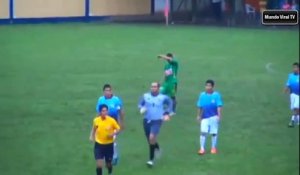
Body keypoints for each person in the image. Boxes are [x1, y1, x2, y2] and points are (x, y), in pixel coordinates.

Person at [138, 82, 173, 167]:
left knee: (151, 137)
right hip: (146, 120)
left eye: (155, 87)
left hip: (157, 121)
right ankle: (157, 148)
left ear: (158, 88)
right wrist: (142, 108)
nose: (153, 88)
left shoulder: (162, 97)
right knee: (150, 140)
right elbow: (140, 104)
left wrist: (166, 113)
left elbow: (170, 103)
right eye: (152, 87)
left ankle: (151, 160)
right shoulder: (145, 96)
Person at [96, 84, 125, 165]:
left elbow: (120, 112)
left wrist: (122, 123)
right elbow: (98, 112)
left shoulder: (116, 100)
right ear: (103, 92)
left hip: (113, 124)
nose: (107, 92)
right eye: (106, 91)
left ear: (111, 91)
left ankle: (115, 157)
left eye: (109, 90)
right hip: (103, 124)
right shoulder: (101, 100)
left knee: (112, 141)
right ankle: (107, 156)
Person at [89, 104, 121, 175]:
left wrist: (112, 134)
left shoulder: (111, 120)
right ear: (100, 112)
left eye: (106, 111)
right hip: (99, 145)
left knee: (108, 164)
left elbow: (118, 129)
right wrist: (91, 136)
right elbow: (94, 129)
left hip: (109, 145)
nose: (105, 112)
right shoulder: (96, 120)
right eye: (103, 111)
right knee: (99, 165)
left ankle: (110, 172)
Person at [196, 80, 223, 155]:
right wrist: (198, 115)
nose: (207, 87)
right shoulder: (202, 95)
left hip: (214, 116)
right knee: (203, 132)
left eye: (209, 86)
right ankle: (202, 149)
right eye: (206, 86)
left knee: (214, 133)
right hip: (204, 117)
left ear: (212, 87)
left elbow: (219, 106)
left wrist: (219, 115)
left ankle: (213, 148)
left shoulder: (216, 95)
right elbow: (200, 106)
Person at [284, 62, 299, 127]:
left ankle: (292, 121)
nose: (294, 69)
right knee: (294, 108)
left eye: (296, 67)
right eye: (293, 67)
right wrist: (285, 90)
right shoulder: (290, 75)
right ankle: (298, 120)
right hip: (292, 94)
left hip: (298, 95)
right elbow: (288, 84)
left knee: (296, 107)